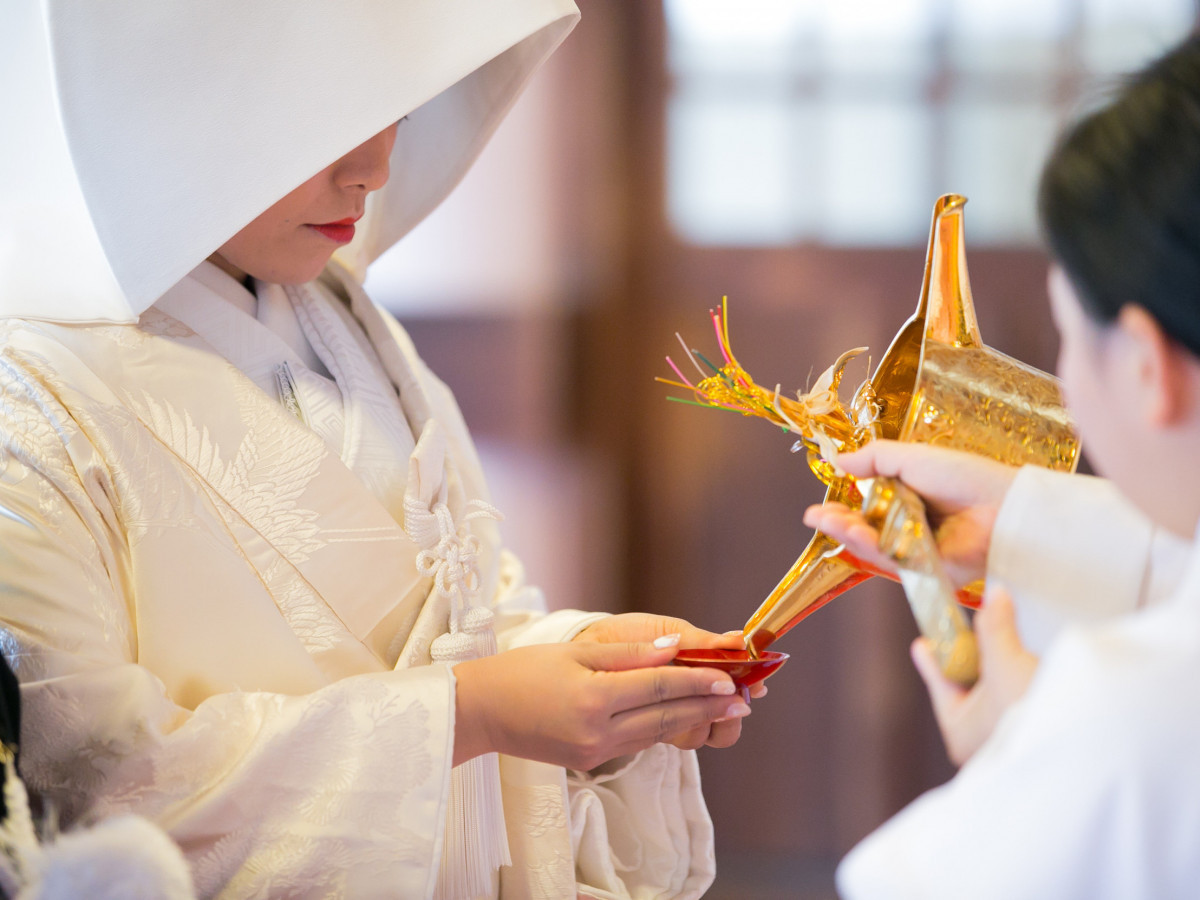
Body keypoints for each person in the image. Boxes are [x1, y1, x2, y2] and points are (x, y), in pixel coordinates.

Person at [0, 2, 759, 897]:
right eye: (321, 117)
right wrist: (476, 713)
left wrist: (586, 659)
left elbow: (463, 610)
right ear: (164, 97)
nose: (373, 168)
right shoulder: (30, 396)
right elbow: (95, 798)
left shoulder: (343, 316)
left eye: (392, 106)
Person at [803, 33, 1200, 899]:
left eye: (1068, 333)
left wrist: (1019, 749)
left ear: (1144, 364)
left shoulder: (1132, 718)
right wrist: (1023, 518)